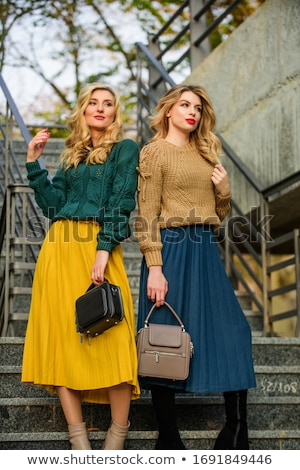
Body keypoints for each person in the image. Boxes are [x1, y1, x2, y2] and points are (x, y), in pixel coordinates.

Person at [135, 84, 256, 450]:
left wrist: (224, 191)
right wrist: (155, 267)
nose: (192, 112)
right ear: (168, 110)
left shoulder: (207, 154)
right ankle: (168, 435)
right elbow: (146, 215)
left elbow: (217, 217)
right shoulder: (153, 152)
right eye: (185, 105)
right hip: (169, 251)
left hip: (204, 248)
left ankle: (236, 427)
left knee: (235, 330)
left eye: (198, 108)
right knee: (165, 335)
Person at [21, 82, 140, 450]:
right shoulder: (73, 153)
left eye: (108, 104)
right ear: (83, 110)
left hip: (97, 246)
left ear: (115, 112)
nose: (101, 109)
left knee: (115, 340)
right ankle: (78, 439)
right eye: (94, 102)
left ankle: (117, 435)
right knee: (63, 340)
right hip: (59, 249)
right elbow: (55, 206)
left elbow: (122, 200)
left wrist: (104, 249)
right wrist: (33, 164)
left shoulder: (125, 149)